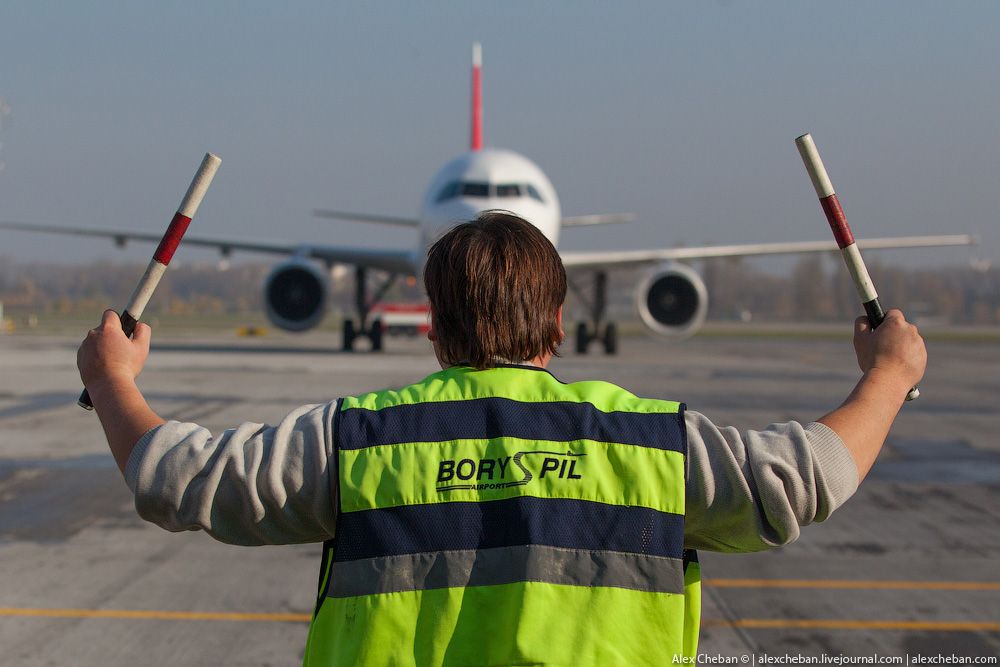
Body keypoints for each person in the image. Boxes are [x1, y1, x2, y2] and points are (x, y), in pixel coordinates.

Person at [78, 211, 926, 665]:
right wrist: (887, 372)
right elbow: (808, 475)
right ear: (560, 320)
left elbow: (176, 480)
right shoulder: (651, 446)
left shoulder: (361, 444)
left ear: (434, 325)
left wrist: (113, 377)